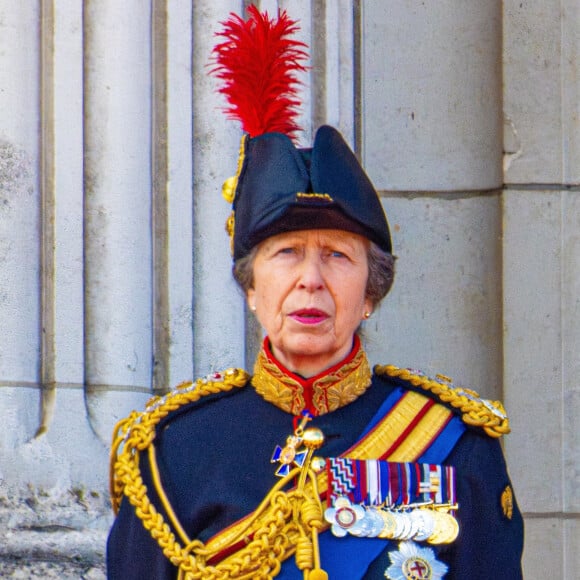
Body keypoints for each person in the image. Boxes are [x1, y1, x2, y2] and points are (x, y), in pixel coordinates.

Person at [107, 6, 523, 579]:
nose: (311, 278)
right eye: (287, 254)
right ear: (252, 288)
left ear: (370, 293)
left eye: (336, 256)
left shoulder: (455, 447)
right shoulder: (173, 452)